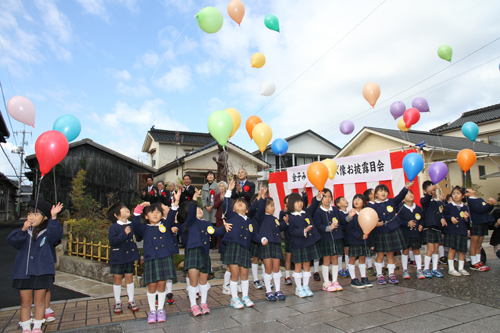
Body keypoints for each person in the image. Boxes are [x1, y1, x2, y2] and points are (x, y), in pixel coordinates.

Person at [8, 200, 63, 333]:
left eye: (36, 214)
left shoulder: (47, 232)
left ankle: (37, 327)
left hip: (42, 272)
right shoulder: (24, 233)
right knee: (25, 302)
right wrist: (23, 229)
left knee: (39, 302)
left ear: (44, 217)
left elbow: (56, 236)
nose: (31, 217)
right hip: (24, 272)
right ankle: (26, 327)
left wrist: (54, 217)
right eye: (29, 214)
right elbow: (12, 240)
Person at [179, 188, 231, 316]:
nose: (199, 210)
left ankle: (203, 303)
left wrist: (224, 228)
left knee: (203, 280)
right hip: (193, 252)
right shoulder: (190, 222)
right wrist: (194, 200)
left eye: (200, 209)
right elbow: (191, 213)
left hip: (204, 254)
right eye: (197, 209)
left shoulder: (207, 223)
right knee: (193, 281)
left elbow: (216, 232)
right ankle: (193, 305)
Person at [131, 194, 179, 324]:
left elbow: (170, 217)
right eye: (152, 212)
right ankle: (152, 310)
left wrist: (176, 202)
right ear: (146, 216)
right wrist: (140, 208)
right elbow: (135, 223)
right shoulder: (144, 228)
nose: (156, 214)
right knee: (152, 286)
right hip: (151, 259)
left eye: (158, 212)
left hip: (164, 257)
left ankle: (160, 309)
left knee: (162, 284)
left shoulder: (165, 225)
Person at [221, 179, 268, 309]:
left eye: (243, 202)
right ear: (233, 208)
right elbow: (225, 206)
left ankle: (245, 296)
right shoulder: (231, 215)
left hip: (245, 249)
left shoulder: (249, 221)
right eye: (238, 202)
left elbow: (253, 235)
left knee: (245, 275)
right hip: (233, 247)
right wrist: (229, 191)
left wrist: (261, 239)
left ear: (247, 210)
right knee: (235, 274)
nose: (240, 203)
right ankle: (234, 298)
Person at [372, 181, 413, 285]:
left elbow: (400, 196)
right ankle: (379, 274)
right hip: (380, 232)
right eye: (381, 191)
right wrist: (375, 224)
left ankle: (391, 274)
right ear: (375, 194)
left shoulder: (391, 202)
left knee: (391, 254)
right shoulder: (372, 206)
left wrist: (406, 188)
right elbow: (369, 219)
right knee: (380, 254)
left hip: (392, 230)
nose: (383, 193)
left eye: (385, 191)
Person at [255, 188, 287, 301]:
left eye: (274, 205)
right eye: (271, 205)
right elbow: (259, 210)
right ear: (264, 207)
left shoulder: (275, 219)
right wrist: (263, 197)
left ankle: (278, 290)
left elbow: (279, 228)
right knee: (268, 268)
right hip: (266, 245)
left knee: (276, 268)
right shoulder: (261, 217)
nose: (273, 207)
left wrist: (286, 222)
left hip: (276, 244)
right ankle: (268, 291)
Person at [107, 202, 140, 314]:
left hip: (129, 257)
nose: (126, 209)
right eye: (123, 208)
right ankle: (117, 301)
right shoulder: (114, 227)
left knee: (129, 278)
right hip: (118, 257)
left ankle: (131, 300)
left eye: (126, 207)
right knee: (117, 280)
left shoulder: (131, 225)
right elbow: (113, 241)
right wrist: (124, 234)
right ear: (116, 215)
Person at [287, 191, 322, 298]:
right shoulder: (290, 216)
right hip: (298, 244)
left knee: (307, 265)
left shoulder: (306, 212)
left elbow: (313, 206)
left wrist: (318, 198)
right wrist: (303, 231)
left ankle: (306, 286)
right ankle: (298, 287)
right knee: (298, 266)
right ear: (291, 204)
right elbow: (291, 231)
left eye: (301, 201)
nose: (300, 203)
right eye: (297, 202)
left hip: (308, 243)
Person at [313, 188, 344, 292]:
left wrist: (349, 217)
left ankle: (335, 281)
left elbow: (343, 221)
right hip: (325, 239)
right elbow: (317, 225)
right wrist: (328, 228)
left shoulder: (335, 210)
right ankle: (326, 282)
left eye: (329, 196)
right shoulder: (318, 211)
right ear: (321, 198)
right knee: (326, 260)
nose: (327, 199)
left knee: (335, 259)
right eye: (325, 196)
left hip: (337, 238)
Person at [346, 194, 374, 289]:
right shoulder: (351, 214)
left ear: (364, 202)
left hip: (364, 240)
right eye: (355, 199)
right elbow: (349, 229)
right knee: (352, 259)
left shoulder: (366, 213)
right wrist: (359, 236)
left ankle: (364, 277)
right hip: (354, 240)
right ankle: (353, 279)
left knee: (362, 259)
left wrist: (371, 242)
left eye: (359, 199)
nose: (356, 201)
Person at [442, 186, 470, 276]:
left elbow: (468, 221)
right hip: (452, 231)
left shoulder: (465, 207)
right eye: (454, 194)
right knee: (452, 249)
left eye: (458, 193)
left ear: (462, 196)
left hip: (462, 231)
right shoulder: (448, 206)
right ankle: (451, 268)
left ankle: (461, 268)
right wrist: (451, 218)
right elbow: (444, 215)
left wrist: (466, 219)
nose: (456, 195)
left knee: (462, 250)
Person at [466, 188, 496, 271]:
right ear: (467, 194)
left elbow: (486, 209)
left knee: (479, 244)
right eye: (469, 190)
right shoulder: (470, 201)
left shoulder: (480, 199)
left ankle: (479, 261)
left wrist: (491, 204)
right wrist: (488, 204)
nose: (472, 189)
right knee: (474, 244)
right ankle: (473, 262)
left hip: (483, 222)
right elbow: (479, 210)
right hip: (476, 223)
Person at [420, 182, 446, 278]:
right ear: (424, 191)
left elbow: (442, 212)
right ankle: (426, 268)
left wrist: (442, 218)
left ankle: (435, 269)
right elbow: (425, 200)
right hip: (429, 227)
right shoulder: (424, 200)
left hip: (437, 228)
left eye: (434, 190)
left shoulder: (439, 203)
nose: (433, 192)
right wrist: (429, 193)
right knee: (430, 249)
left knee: (436, 249)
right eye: (431, 189)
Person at [398, 190, 424, 279]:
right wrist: (407, 223)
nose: (410, 195)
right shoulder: (401, 209)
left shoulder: (418, 208)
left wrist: (421, 225)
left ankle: (419, 269)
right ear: (403, 198)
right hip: (405, 234)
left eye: (411, 193)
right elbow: (399, 220)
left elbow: (422, 219)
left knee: (416, 251)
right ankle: (405, 270)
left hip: (416, 233)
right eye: (407, 194)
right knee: (405, 251)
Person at [201, 171, 219, 249]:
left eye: (212, 175)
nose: (210, 176)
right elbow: (202, 198)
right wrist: (206, 206)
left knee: (214, 225)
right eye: (208, 175)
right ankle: (207, 243)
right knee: (207, 226)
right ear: (206, 177)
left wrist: (211, 206)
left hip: (214, 209)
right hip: (206, 210)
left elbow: (217, 197)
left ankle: (214, 244)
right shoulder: (204, 186)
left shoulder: (217, 186)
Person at [335, 196, 350, 278]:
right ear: (339, 204)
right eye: (343, 200)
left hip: (348, 235)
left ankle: (348, 268)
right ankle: (340, 269)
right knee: (340, 252)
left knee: (348, 251)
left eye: (345, 199)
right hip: (341, 234)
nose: (346, 201)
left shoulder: (348, 213)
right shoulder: (338, 213)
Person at [363, 188, 376, 276]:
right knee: (369, 249)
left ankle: (381, 266)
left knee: (380, 249)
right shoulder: (368, 207)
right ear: (370, 196)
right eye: (374, 192)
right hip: (371, 231)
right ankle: (370, 266)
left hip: (379, 229)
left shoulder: (378, 204)